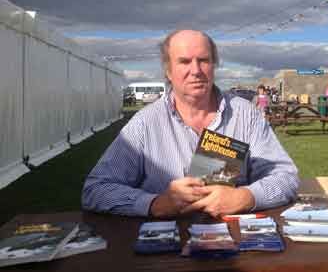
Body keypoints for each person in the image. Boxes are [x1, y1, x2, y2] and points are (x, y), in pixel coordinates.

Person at [82, 30, 299, 219]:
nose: (196, 70)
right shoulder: (144, 124)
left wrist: (247, 197)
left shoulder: (246, 115)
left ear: (214, 66)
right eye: (184, 61)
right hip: (167, 251)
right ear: (168, 71)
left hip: (237, 243)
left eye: (203, 60)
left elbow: (286, 177)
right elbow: (96, 190)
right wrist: (155, 204)